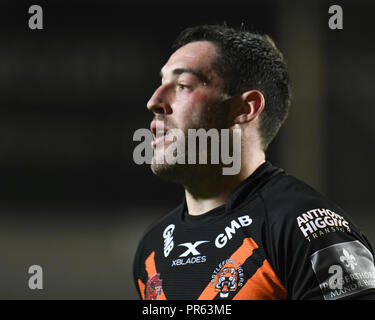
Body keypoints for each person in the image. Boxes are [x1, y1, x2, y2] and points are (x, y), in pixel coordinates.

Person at [133, 24, 375, 300]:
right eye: (161, 84)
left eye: (183, 85)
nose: (154, 101)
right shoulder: (152, 250)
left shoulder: (307, 229)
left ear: (245, 109)